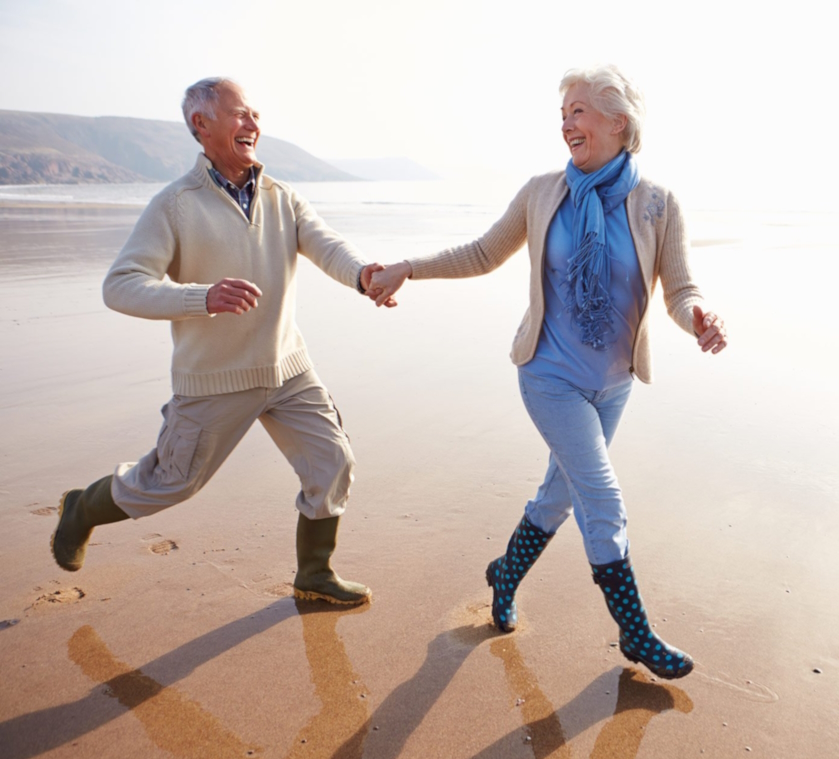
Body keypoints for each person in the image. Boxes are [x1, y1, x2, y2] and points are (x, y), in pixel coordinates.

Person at [365, 65, 728, 678]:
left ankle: (504, 576)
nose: (566, 124)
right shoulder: (542, 193)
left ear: (620, 123)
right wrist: (409, 265)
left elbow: (679, 289)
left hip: (613, 385)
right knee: (602, 498)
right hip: (548, 374)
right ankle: (635, 634)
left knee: (559, 496)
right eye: (563, 114)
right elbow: (481, 254)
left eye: (579, 111)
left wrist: (699, 320)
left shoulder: (657, 205)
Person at [51, 77, 393, 606]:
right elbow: (119, 286)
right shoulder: (175, 205)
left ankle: (315, 573)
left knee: (333, 461)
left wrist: (362, 274)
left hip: (288, 370)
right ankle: (81, 509)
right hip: (214, 378)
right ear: (201, 126)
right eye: (240, 114)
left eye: (256, 115)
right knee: (170, 483)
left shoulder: (283, 197)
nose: (253, 125)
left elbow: (327, 245)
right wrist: (200, 298)